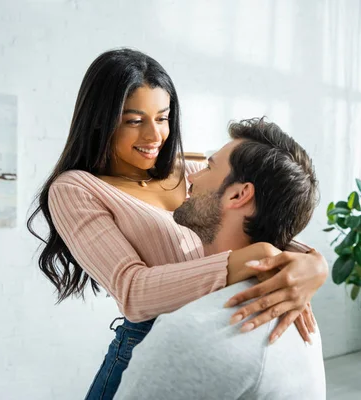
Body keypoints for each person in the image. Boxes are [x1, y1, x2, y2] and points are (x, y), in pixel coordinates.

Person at [26, 48, 328, 400]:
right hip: (145, 345)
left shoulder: (191, 172)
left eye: (163, 117)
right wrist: (251, 260)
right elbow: (132, 291)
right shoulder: (76, 189)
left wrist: (312, 263)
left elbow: (251, 215)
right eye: (134, 121)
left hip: (214, 328)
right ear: (100, 120)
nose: (154, 136)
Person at [115, 118, 326, 399]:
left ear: (238, 194)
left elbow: (133, 293)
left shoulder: (187, 336)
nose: (191, 177)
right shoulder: (296, 310)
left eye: (208, 167)